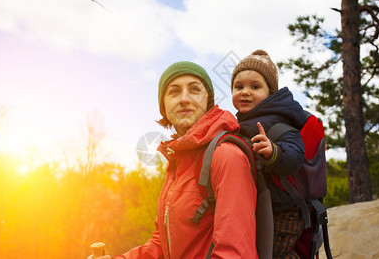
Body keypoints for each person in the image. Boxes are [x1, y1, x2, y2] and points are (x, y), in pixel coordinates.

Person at [91, 61, 258, 258]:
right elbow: (163, 244)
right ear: (164, 106)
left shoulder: (226, 156)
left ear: (208, 101)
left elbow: (234, 254)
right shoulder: (178, 163)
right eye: (174, 92)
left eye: (194, 90)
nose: (184, 99)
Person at [231, 50, 306, 259]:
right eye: (239, 87)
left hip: (282, 210)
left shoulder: (280, 122)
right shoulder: (239, 123)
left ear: (270, 93)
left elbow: (295, 157)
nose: (245, 92)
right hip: (256, 206)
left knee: (273, 254)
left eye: (255, 87)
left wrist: (274, 152)